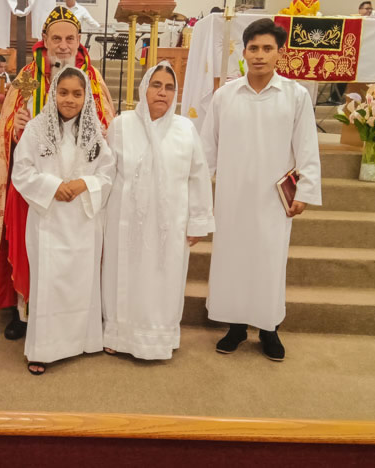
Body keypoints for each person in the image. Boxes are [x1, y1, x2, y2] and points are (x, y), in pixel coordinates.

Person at [0, 6, 114, 341]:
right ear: (45, 40)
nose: (63, 45)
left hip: (77, 187)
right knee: (28, 252)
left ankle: (74, 316)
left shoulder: (91, 78)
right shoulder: (28, 75)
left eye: (70, 39)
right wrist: (15, 125)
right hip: (34, 187)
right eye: (57, 38)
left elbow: (107, 126)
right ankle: (25, 312)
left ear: (79, 40)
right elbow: (7, 123)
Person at [200, 19, 322, 361]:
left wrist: (305, 191)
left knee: (269, 261)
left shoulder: (295, 96)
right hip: (233, 195)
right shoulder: (225, 96)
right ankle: (236, 327)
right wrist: (198, 190)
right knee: (233, 259)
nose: (259, 55)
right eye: (253, 48)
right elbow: (207, 149)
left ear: (279, 53)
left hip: (272, 199)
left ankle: (269, 329)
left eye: (267, 48)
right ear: (243, 52)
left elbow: (307, 146)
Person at [102, 62, 214, 360]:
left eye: (169, 87)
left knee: (163, 280)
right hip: (125, 220)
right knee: (121, 276)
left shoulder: (185, 129)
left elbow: (198, 176)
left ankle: (159, 337)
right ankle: (117, 334)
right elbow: (106, 173)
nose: (162, 92)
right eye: (156, 85)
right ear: (144, 89)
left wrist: (198, 221)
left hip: (169, 223)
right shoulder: (121, 125)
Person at [11, 67, 115, 375]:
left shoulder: (94, 133)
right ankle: (43, 349)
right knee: (49, 283)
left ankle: (82, 341)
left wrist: (83, 184)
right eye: (64, 92)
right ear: (54, 93)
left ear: (86, 97)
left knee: (80, 283)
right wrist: (53, 186)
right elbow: (22, 171)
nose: (70, 99)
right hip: (48, 219)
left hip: (83, 221)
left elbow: (107, 173)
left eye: (77, 94)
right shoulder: (36, 129)